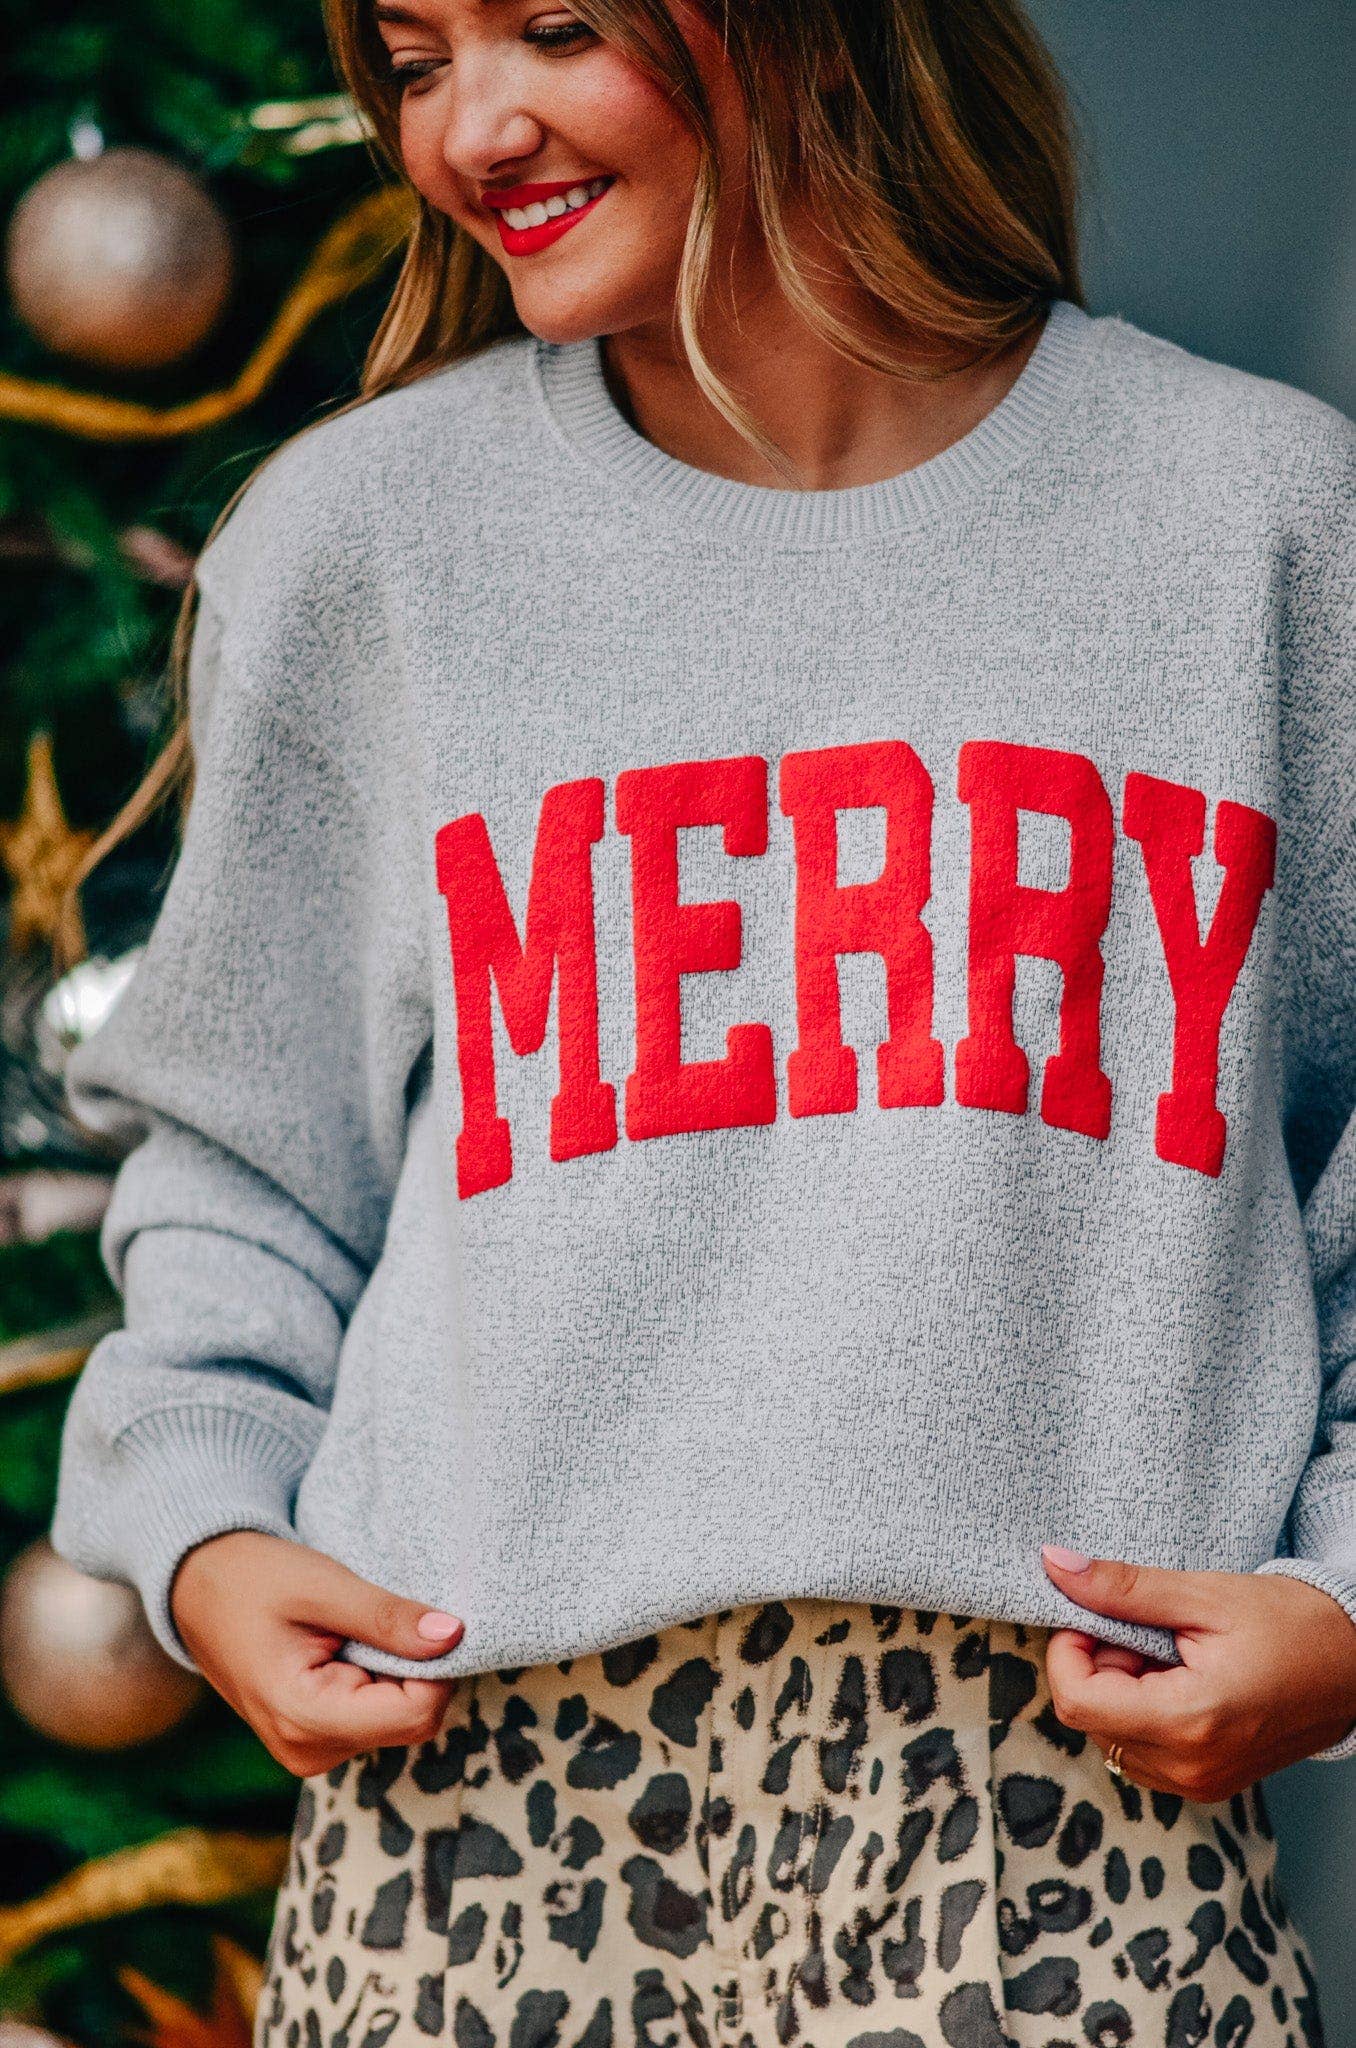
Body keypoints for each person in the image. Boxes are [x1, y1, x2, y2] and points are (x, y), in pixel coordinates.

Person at [49, 0, 1354, 2041]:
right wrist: (205, 1530)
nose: (471, 129)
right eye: (413, 58)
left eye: (554, 28)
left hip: (1064, 1804)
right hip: (471, 1797)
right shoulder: (369, 545)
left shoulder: (1260, 522)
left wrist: (1348, 1598)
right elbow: (244, 1159)